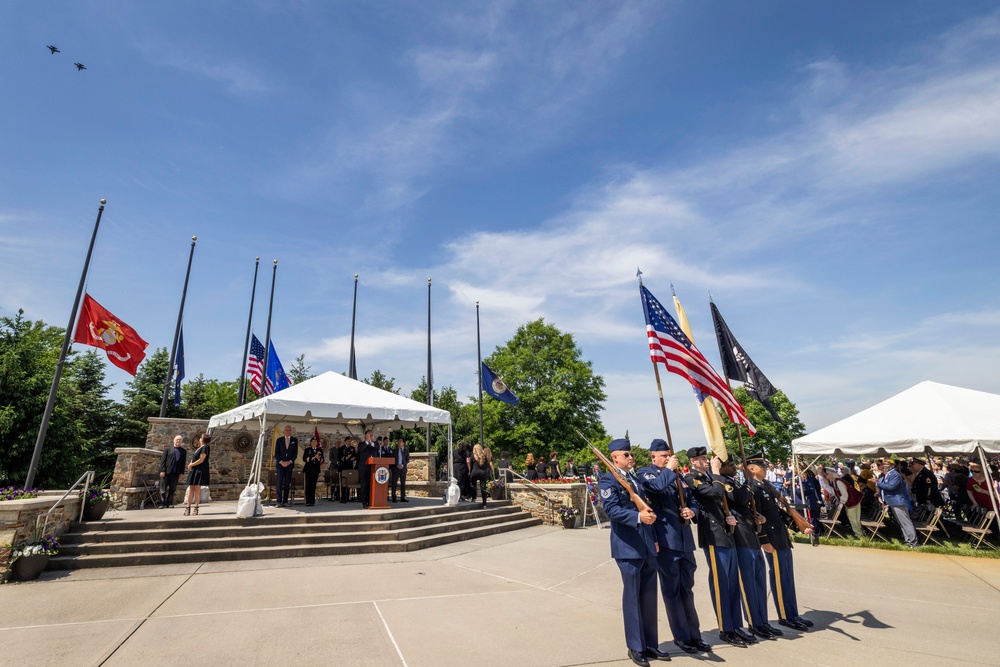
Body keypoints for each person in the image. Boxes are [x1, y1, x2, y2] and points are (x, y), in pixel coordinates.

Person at [637, 439, 710, 655]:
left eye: (670, 455)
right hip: (666, 541)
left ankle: (695, 635)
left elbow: (692, 499)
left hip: (685, 540)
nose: (669, 458)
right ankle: (682, 637)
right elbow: (656, 489)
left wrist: (692, 511)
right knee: (672, 590)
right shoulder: (647, 473)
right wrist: (669, 470)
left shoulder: (678, 477)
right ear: (654, 457)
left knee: (687, 589)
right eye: (665, 455)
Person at [598, 438, 665, 666]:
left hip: (646, 545)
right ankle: (635, 647)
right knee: (633, 598)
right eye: (625, 454)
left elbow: (646, 508)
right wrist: (638, 517)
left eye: (630, 454)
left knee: (648, 597)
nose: (630, 457)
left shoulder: (634, 480)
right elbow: (611, 510)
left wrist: (654, 539)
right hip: (627, 547)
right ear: (614, 457)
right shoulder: (608, 480)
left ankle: (650, 645)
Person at [683, 447, 745, 648]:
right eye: (701, 458)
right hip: (712, 534)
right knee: (721, 583)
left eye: (705, 458)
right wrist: (717, 473)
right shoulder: (692, 478)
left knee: (733, 583)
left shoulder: (711, 476)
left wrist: (730, 517)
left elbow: (723, 498)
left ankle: (736, 625)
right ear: (693, 461)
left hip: (726, 532)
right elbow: (715, 492)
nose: (706, 461)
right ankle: (725, 629)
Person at [747, 452, 813, 632]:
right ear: (752, 469)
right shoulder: (753, 488)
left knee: (787, 577)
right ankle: (785, 616)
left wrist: (798, 524)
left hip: (781, 537)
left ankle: (792, 614)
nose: (765, 467)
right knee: (780, 578)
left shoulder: (764, 486)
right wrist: (764, 541)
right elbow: (757, 517)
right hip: (772, 540)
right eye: (762, 466)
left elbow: (776, 513)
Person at [720, 458, 771, 644]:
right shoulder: (724, 483)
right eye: (731, 465)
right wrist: (749, 480)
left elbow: (746, 504)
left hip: (751, 533)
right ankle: (754, 622)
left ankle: (763, 620)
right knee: (747, 582)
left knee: (759, 580)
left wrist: (757, 516)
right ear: (722, 467)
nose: (735, 468)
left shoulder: (735, 482)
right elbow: (740, 499)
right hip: (740, 536)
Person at [877, 459, 918, 547]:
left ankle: (913, 542)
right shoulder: (888, 475)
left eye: (886, 464)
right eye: (883, 464)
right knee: (902, 523)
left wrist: (877, 483)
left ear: (892, 465)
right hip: (893, 502)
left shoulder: (895, 475)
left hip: (898, 502)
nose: (884, 466)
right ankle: (909, 540)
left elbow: (891, 487)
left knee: (905, 522)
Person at [829, 468, 863, 537]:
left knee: (853, 518)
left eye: (827, 474)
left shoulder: (838, 482)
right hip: (851, 500)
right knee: (854, 518)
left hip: (852, 500)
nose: (826, 476)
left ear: (831, 475)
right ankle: (861, 532)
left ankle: (859, 534)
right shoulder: (836, 481)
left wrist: (841, 503)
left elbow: (845, 494)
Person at [184, 433, 211, 516]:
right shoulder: (199, 448)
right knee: (191, 488)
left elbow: (201, 460)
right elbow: (195, 458)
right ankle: (188, 508)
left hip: (199, 470)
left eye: (201, 437)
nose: (199, 438)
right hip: (194, 470)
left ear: (203, 439)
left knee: (197, 488)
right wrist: (191, 464)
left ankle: (196, 507)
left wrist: (191, 465)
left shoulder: (205, 447)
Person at [159, 435, 187, 508]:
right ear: (174, 440)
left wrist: (181, 473)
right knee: (163, 488)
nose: (178, 441)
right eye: (177, 439)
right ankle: (162, 503)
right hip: (166, 472)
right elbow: (163, 461)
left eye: (180, 440)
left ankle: (170, 502)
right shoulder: (168, 449)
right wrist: (162, 470)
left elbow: (183, 463)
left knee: (172, 489)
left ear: (181, 441)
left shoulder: (183, 451)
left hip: (176, 473)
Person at [274, 425, 298, 507]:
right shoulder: (279, 440)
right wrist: (281, 462)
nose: (288, 431)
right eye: (286, 430)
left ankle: (285, 501)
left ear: (291, 431)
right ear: (284, 431)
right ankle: (279, 501)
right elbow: (276, 453)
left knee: (287, 483)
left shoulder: (294, 440)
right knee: (279, 483)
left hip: (289, 465)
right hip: (280, 465)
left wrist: (290, 461)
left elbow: (295, 453)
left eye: (289, 430)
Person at [302, 437, 324, 506]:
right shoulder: (307, 450)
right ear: (310, 443)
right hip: (308, 469)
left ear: (317, 443)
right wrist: (313, 457)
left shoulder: (320, 450)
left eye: (315, 442)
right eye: (312, 442)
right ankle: (307, 501)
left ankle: (312, 501)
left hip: (315, 470)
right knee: (308, 485)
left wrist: (319, 458)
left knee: (313, 485)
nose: (314, 443)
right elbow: (304, 459)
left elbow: (322, 459)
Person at [357, 430, 376, 508]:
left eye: (371, 435)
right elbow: (361, 449)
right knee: (364, 485)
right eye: (369, 435)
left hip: (373, 468)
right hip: (364, 468)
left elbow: (377, 448)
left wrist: (371, 443)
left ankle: (371, 501)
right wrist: (367, 442)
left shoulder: (374, 444)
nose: (371, 437)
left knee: (372, 486)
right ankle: (364, 502)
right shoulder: (361, 444)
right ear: (365, 436)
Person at [470, 443, 491, 508]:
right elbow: (487, 465)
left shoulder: (473, 456)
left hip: (475, 472)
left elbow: (471, 465)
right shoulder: (484, 456)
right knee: (483, 488)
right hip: (482, 473)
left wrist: (470, 472)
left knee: (472, 483)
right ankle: (484, 504)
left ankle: (473, 497)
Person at [391, 437, 409, 502]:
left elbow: (407, 460)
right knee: (394, 483)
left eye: (401, 441)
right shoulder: (395, 450)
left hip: (403, 469)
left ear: (403, 443)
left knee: (403, 483)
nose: (399, 442)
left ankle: (403, 497)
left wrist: (403, 465)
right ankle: (393, 497)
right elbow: (393, 459)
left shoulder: (406, 451)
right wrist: (397, 465)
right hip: (396, 468)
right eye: (399, 441)